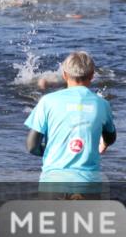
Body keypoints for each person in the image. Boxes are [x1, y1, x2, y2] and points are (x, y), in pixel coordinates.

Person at [24, 51, 116, 196]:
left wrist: (51, 151)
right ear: (92, 75)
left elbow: (31, 146)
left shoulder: (47, 101)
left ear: (65, 75)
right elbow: (111, 137)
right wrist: (103, 144)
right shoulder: (102, 104)